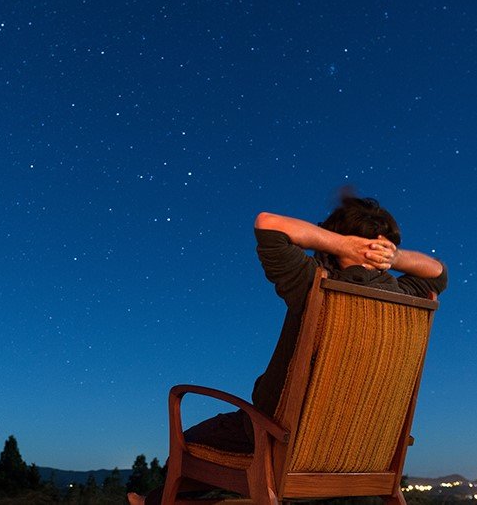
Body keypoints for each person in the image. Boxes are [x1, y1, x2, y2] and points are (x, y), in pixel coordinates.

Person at [128, 192, 447, 505]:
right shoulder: (407, 299)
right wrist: (395, 258)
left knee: (186, 448)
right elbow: (438, 273)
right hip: (371, 449)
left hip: (277, 438)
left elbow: (267, 224)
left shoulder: (313, 284)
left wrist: (343, 244)